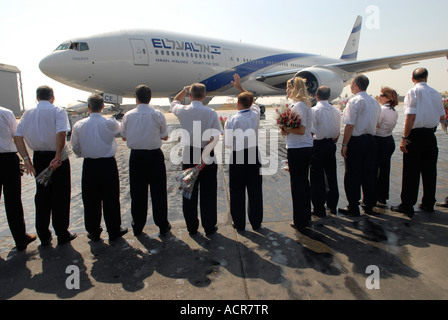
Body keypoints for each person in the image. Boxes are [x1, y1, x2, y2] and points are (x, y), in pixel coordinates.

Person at [14, 86, 76, 246]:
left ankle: (43, 234)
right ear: (52, 97)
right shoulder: (58, 111)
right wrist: (57, 158)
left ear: (37, 98)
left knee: (42, 196)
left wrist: (27, 160)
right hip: (57, 156)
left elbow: (17, 136)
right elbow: (61, 133)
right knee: (60, 196)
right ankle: (62, 233)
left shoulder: (27, 113)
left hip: (38, 158)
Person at [71, 94, 127, 241]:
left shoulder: (79, 125)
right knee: (112, 198)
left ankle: (93, 231)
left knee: (90, 200)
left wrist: (84, 154)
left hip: (90, 165)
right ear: (103, 107)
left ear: (88, 107)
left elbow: (75, 147)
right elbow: (122, 132)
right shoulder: (110, 123)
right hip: (108, 164)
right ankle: (114, 229)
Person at [391, 68, 446, 217]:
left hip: (415, 136)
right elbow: (442, 117)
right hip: (430, 135)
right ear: (426, 78)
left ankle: (407, 204)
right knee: (430, 171)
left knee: (411, 171)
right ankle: (428, 203)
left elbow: (410, 117)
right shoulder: (436, 94)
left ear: (412, 78)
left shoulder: (413, 92)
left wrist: (404, 138)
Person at [170, 83, 222, 236]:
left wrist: (184, 89)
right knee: (208, 192)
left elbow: (174, 102)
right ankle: (209, 227)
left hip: (189, 154)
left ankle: (192, 227)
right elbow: (216, 136)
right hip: (207, 153)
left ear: (190, 96)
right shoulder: (211, 112)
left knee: (189, 192)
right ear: (204, 96)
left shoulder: (182, 110)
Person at [121, 85, 171, 237]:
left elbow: (123, 137)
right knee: (159, 192)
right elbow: (165, 136)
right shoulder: (157, 114)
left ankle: (138, 227)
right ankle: (162, 225)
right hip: (155, 156)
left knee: (137, 193)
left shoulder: (128, 115)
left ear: (136, 97)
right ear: (150, 98)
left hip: (136, 157)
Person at [224, 74, 263, 231]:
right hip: (253, 154)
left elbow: (227, 144)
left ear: (238, 104)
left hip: (238, 155)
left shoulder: (231, 120)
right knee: (255, 190)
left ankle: (239, 223)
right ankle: (256, 222)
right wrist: (240, 88)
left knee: (237, 191)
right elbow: (252, 101)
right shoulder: (256, 113)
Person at [339, 75, 381, 216]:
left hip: (357, 141)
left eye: (351, 84)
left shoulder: (354, 101)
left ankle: (353, 206)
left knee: (352, 174)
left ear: (355, 85)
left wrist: (345, 144)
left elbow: (349, 125)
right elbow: (377, 123)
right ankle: (369, 204)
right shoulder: (374, 102)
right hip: (371, 140)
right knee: (369, 173)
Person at [0, 106, 37, 251]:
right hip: (7, 159)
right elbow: (16, 136)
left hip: (7, 158)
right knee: (13, 201)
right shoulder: (5, 113)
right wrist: (25, 159)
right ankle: (20, 238)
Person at [281, 77, 313, 230]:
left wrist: (285, 128)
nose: (286, 91)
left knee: (298, 185)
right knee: (302, 184)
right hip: (300, 148)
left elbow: (301, 130)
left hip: (298, 149)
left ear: (294, 89)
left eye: (288, 88)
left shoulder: (299, 106)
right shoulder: (299, 105)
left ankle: (300, 220)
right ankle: (304, 216)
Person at [310, 86, 341, 217]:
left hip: (318, 144)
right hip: (331, 143)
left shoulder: (314, 110)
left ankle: (319, 207)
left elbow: (311, 131)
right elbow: (338, 131)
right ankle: (332, 205)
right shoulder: (336, 110)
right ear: (329, 96)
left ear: (316, 95)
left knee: (317, 177)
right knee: (331, 175)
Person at [374, 87, 399, 206]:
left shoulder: (382, 110)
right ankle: (383, 196)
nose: (379, 97)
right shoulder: (394, 111)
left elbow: (376, 125)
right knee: (385, 170)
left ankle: (373, 196)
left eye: (382, 95)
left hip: (380, 140)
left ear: (388, 98)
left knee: (374, 170)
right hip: (389, 140)